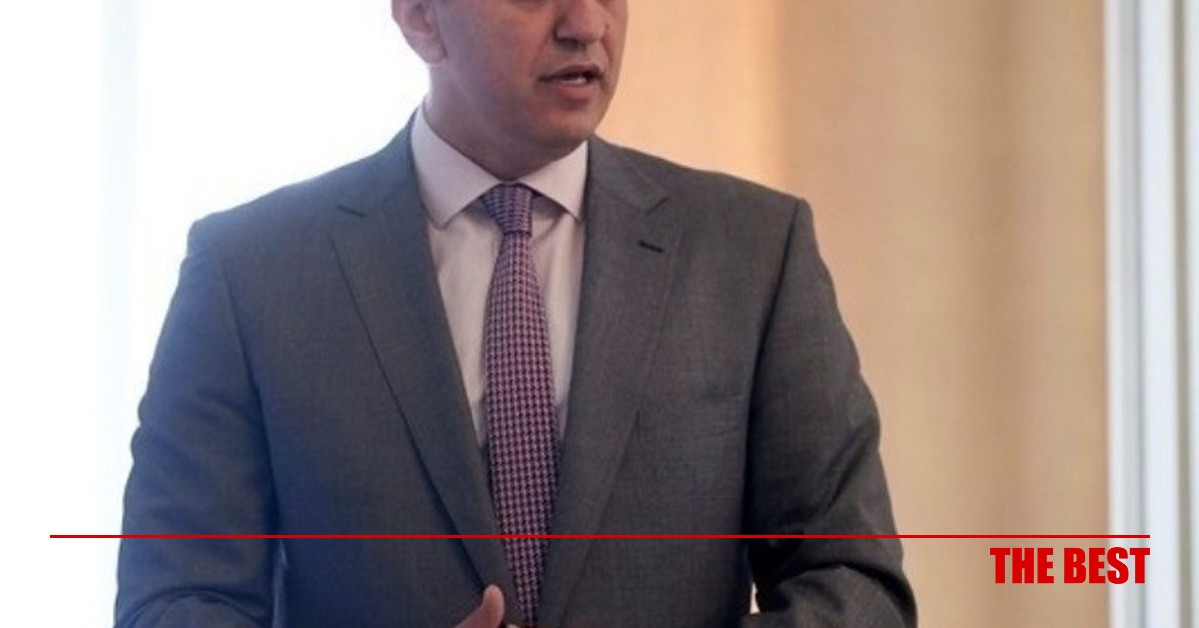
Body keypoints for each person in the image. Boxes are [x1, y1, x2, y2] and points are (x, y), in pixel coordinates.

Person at [116, 0, 917, 626]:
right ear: (419, 18)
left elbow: (853, 580)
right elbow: (175, 599)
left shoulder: (753, 251)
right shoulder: (250, 272)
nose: (586, 25)